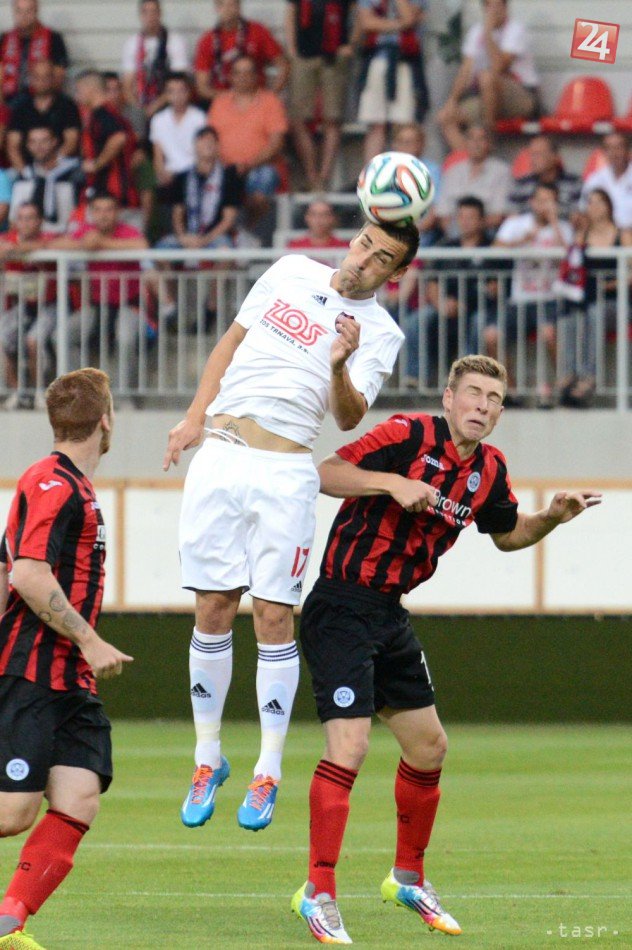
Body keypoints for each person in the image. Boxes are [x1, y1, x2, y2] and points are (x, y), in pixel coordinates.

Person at [292, 354, 601, 944]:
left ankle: (407, 879)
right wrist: (392, 482)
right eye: (474, 393)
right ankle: (318, 892)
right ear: (449, 398)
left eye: (494, 399)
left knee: (429, 747)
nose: (483, 406)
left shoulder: (489, 468)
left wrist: (550, 518)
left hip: (389, 614)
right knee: (350, 746)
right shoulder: (407, 434)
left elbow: (507, 534)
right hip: (341, 605)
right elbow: (326, 473)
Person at [162, 219, 419, 834]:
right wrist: (194, 416)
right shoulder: (290, 270)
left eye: (382, 257)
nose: (364, 260)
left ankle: (268, 769)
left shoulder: (381, 332)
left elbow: (349, 418)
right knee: (212, 608)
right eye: (365, 243)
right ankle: (207, 759)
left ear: (396, 273)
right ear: (353, 238)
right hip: (221, 454)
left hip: (284, 470)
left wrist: (339, 364)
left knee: (273, 617)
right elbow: (230, 342)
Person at [0, 368, 133, 949]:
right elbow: (27, 574)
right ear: (105, 420)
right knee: (13, 813)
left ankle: (8, 922)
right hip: (31, 667)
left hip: (68, 679)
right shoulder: (54, 482)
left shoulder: (66, 484)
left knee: (79, 797)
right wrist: (90, 641)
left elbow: (5, 565)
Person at [49, 192, 148, 391]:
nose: (103, 215)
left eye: (109, 210)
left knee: (126, 338)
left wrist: (100, 244)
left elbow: (142, 245)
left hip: (128, 305)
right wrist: (83, 244)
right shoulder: (87, 231)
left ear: (118, 212)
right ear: (91, 213)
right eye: (98, 210)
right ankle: (81, 392)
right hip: (96, 306)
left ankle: (122, 398)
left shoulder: (128, 230)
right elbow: (54, 245)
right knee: (61, 336)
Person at [492, 182, 573, 402]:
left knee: (549, 333)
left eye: (549, 201)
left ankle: (562, 386)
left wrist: (554, 222)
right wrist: (522, 241)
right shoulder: (517, 224)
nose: (544, 206)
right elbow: (495, 249)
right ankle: (511, 390)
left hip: (550, 298)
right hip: (520, 299)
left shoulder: (564, 227)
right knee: (492, 335)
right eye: (540, 201)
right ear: (532, 202)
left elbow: (569, 257)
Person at [558, 188, 632, 408]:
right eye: (590, 202)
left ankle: (589, 375)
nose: (595, 207)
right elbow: (572, 261)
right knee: (569, 318)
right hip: (588, 299)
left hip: (616, 301)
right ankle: (569, 372)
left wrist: (611, 284)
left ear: (608, 206)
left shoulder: (622, 235)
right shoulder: (583, 235)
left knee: (594, 314)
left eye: (599, 202)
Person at [437, 0, 539, 152]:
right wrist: (452, 100)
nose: (494, 10)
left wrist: (488, 34)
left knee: (487, 77)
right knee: (446, 117)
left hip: (522, 95)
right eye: (489, 6)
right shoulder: (476, 31)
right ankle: (472, 159)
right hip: (487, 97)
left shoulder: (516, 30)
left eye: (498, 5)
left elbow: (499, 67)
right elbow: (465, 70)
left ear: (505, 7)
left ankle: (489, 138)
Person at [208, 54, 288, 234]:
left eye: (248, 72)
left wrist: (248, 164)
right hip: (225, 168)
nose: (243, 77)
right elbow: (210, 139)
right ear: (231, 76)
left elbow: (277, 142)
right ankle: (230, 235)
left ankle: (246, 231)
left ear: (256, 76)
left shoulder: (270, 101)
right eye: (238, 73)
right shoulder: (220, 103)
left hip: (261, 166)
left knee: (260, 189)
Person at [284, 0, 355, 190]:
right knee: (298, 117)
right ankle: (311, 175)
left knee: (333, 117)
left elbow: (358, 13)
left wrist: (352, 43)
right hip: (304, 55)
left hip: (335, 56)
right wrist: (292, 49)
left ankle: (324, 177)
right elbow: (291, 12)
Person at [0, 201, 56, 410]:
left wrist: (21, 249)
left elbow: (62, 244)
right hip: (21, 305)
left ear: (40, 221)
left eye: (30, 218)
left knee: (33, 341)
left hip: (50, 304)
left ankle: (40, 393)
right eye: (21, 218)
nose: (25, 223)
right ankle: (18, 393)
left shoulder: (50, 238)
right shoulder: (8, 240)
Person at [356, 0, 427, 163]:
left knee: (402, 125)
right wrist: (399, 24)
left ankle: (402, 171)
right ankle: (372, 173)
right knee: (375, 124)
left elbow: (409, 18)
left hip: (404, 61)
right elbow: (366, 23)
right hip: (376, 58)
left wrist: (385, 24)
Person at [195, 0, 290, 105]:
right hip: (222, 100)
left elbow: (284, 65)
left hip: (256, 100)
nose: (227, 9)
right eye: (222, 5)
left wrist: (270, 96)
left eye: (232, 5)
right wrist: (234, 99)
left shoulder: (257, 31)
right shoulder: (207, 40)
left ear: (239, 7)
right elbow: (202, 87)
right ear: (216, 8)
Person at [75, 70, 139, 211]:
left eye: (78, 91)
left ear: (89, 89)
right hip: (108, 194)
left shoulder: (103, 115)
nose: (77, 96)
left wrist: (97, 164)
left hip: (113, 195)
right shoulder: (107, 114)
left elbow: (119, 137)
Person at [6, 59, 81, 174]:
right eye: (37, 77)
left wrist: (54, 163)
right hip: (27, 168)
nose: (41, 81)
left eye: (46, 77)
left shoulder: (67, 106)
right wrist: (26, 173)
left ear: (53, 78)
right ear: (30, 79)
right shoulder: (20, 107)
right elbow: (12, 145)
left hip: (61, 169)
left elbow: (71, 141)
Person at [436, 124, 511, 237]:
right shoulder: (452, 172)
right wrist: (457, 236)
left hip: (487, 237)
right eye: (471, 139)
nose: (476, 144)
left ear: (489, 144)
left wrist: (470, 230)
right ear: (466, 143)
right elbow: (443, 214)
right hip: (454, 236)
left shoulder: (502, 172)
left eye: (481, 139)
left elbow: (498, 216)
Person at [121, 0, 189, 124]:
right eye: (145, 12)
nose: (150, 16)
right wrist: (138, 108)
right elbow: (127, 85)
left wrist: (155, 106)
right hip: (139, 103)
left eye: (153, 12)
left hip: (168, 102)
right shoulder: (131, 44)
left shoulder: (175, 41)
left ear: (160, 14)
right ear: (140, 15)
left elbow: (180, 81)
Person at [9, 124, 82, 232]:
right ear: (28, 145)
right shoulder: (24, 176)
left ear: (54, 142)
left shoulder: (74, 172)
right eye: (33, 142)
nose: (38, 146)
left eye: (44, 141)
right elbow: (14, 219)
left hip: (67, 236)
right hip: (32, 236)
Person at [0, 0, 69, 106]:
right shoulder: (4, 39)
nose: (24, 16)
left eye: (29, 11)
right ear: (14, 12)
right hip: (9, 101)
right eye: (19, 11)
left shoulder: (53, 38)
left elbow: (59, 77)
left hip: (41, 103)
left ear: (36, 11)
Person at [508, 135, 581, 223]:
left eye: (538, 154)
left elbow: (578, 214)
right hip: (528, 230)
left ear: (554, 156)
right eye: (531, 154)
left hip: (563, 228)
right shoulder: (521, 184)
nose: (533, 159)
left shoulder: (573, 183)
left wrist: (554, 210)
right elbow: (511, 213)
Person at [391, 122, 441, 246]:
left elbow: (435, 212)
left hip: (421, 240)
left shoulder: (432, 171)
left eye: (410, 142)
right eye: (401, 141)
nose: (405, 146)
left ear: (421, 144)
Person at [581, 132, 632, 231]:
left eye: (618, 147)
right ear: (604, 152)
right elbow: (583, 210)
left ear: (628, 150)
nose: (614, 153)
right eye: (609, 148)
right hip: (603, 236)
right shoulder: (595, 179)